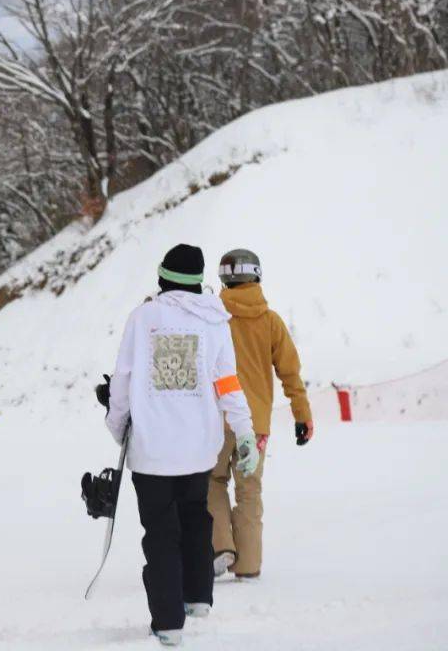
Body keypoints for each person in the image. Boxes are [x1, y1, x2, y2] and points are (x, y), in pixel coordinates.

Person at [104, 244, 259, 647]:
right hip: (198, 449)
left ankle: (169, 622)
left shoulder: (142, 319)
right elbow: (227, 384)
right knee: (195, 520)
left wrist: (116, 424)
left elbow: (121, 381)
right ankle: (197, 598)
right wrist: (243, 431)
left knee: (160, 533)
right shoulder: (215, 321)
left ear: (163, 277)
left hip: (152, 452)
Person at [209, 249, 312, 580]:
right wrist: (302, 415)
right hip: (256, 427)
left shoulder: (212, 316)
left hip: (215, 418)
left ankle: (221, 545)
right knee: (249, 490)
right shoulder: (271, 321)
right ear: (257, 276)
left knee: (211, 481)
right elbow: (290, 373)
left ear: (223, 278)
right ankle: (249, 565)